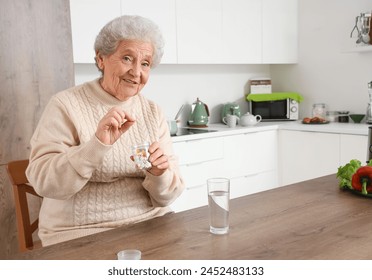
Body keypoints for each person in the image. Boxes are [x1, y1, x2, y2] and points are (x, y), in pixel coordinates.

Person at [26, 15, 185, 247]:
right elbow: (43, 181)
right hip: (79, 232)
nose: (136, 72)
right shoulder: (65, 105)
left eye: (145, 63)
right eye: (127, 58)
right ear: (101, 59)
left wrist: (160, 174)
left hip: (148, 223)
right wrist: (96, 146)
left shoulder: (152, 112)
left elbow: (168, 196)